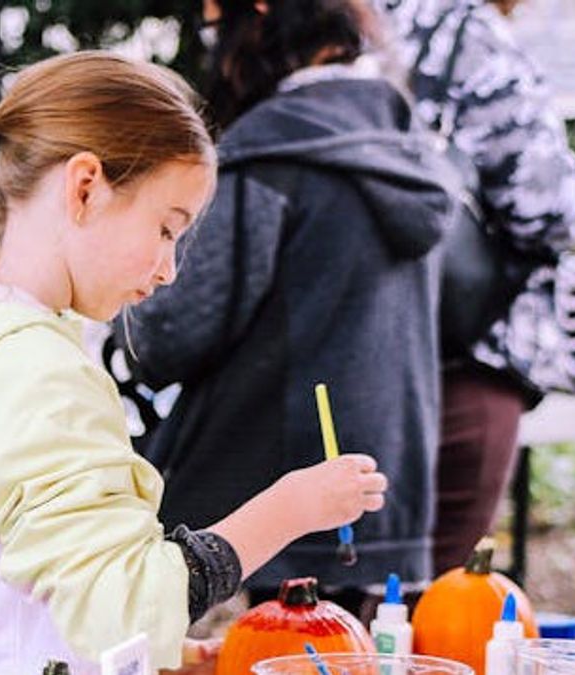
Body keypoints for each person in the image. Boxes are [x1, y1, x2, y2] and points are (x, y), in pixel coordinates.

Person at [0, 51, 387, 674]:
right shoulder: (36, 373)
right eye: (168, 228)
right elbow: (126, 604)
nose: (170, 269)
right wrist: (290, 509)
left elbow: (0, 581)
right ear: (85, 187)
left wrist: (163, 655)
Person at [116, 0, 463, 614]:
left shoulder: (270, 154)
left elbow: (173, 334)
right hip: (384, 508)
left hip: (252, 522)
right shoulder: (412, 153)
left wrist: (123, 318)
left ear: (260, 22)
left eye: (216, 24)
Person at [379, 0, 575, 573]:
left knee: (327, 609)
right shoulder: (466, 33)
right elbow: (548, 208)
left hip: (344, 362)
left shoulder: (314, 27)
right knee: (439, 604)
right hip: (461, 359)